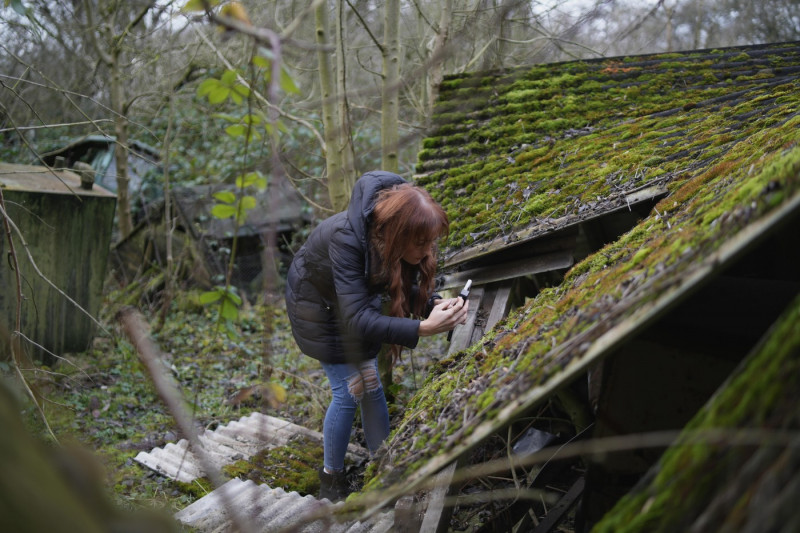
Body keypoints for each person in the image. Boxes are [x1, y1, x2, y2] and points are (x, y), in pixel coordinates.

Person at [285, 170, 469, 501]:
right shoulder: (347, 238)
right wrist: (421, 328)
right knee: (349, 390)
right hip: (317, 310)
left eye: (432, 242)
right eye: (421, 243)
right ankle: (332, 479)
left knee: (371, 384)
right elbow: (357, 319)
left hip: (350, 306)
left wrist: (433, 304)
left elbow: (400, 284)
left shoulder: (391, 230)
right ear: (400, 234)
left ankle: (383, 469)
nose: (428, 251)